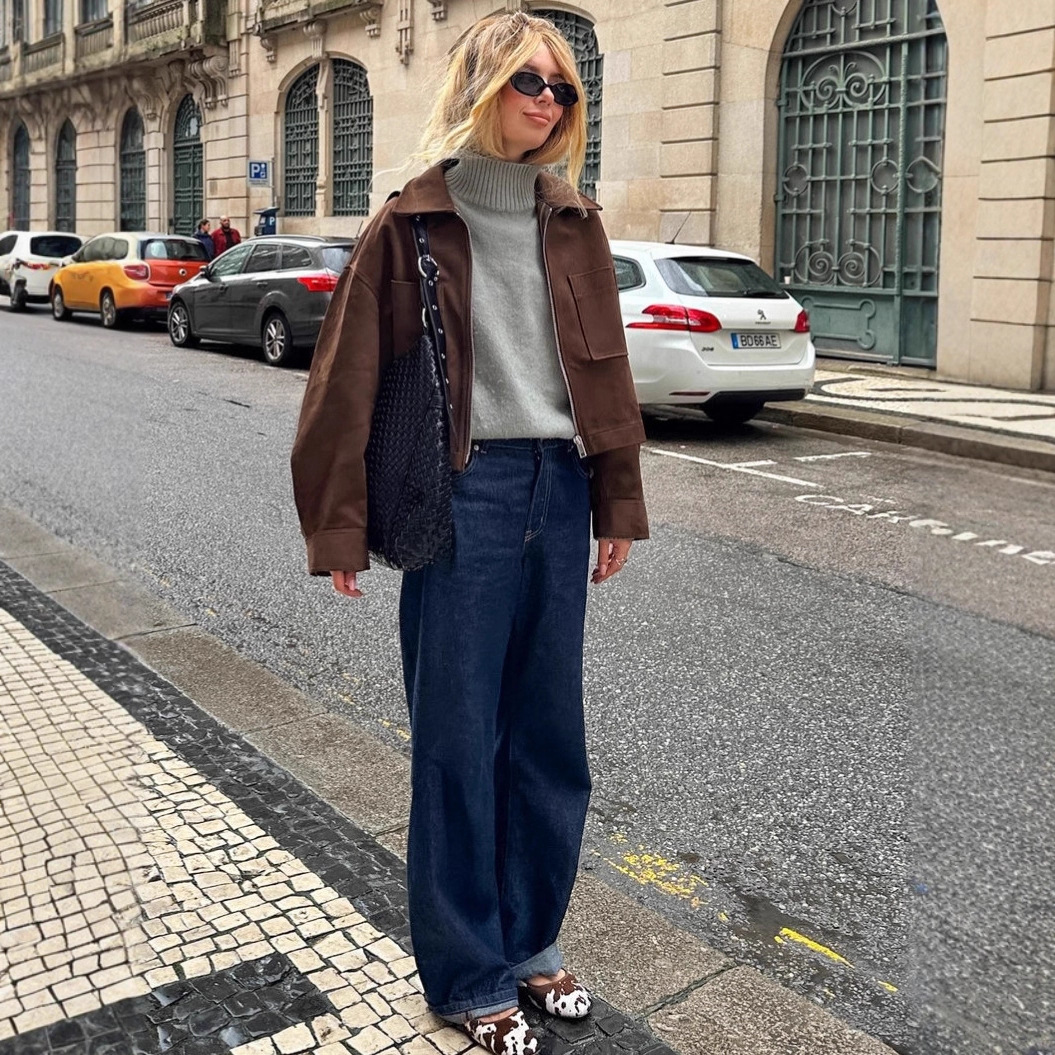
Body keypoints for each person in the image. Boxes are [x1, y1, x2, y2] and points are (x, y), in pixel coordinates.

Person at [291, 12, 648, 1055]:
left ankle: (530, 942)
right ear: (483, 86)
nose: (548, 102)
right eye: (530, 81)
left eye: (563, 88)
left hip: (558, 487)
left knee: (548, 741)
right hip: (463, 494)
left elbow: (604, 371)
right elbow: (343, 382)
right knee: (456, 743)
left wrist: (615, 498)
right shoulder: (411, 220)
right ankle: (466, 974)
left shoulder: (572, 217)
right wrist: (339, 526)